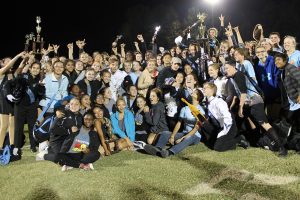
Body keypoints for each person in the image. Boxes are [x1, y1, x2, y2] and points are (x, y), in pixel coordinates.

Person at [224, 60, 287, 156]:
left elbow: (244, 93)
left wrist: (240, 107)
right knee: (253, 123)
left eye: (227, 68)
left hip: (255, 102)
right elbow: (238, 94)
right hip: (249, 103)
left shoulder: (238, 75)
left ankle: (282, 148)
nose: (225, 70)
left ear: (233, 67)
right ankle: (262, 143)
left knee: (265, 124)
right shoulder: (234, 78)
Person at [143, 88, 204, 157]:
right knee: (165, 133)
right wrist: (172, 136)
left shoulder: (201, 110)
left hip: (195, 136)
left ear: (199, 97)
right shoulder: (185, 108)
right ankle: (157, 148)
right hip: (184, 133)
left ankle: (169, 152)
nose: (192, 92)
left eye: (195, 92)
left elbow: (196, 128)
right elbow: (179, 123)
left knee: (188, 138)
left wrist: (182, 138)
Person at [274, 53, 300, 153]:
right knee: (294, 124)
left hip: (297, 101)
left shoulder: (291, 68)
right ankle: (295, 146)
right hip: (291, 103)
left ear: (285, 60)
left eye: (279, 60)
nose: (277, 62)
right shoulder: (282, 71)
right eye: (275, 60)